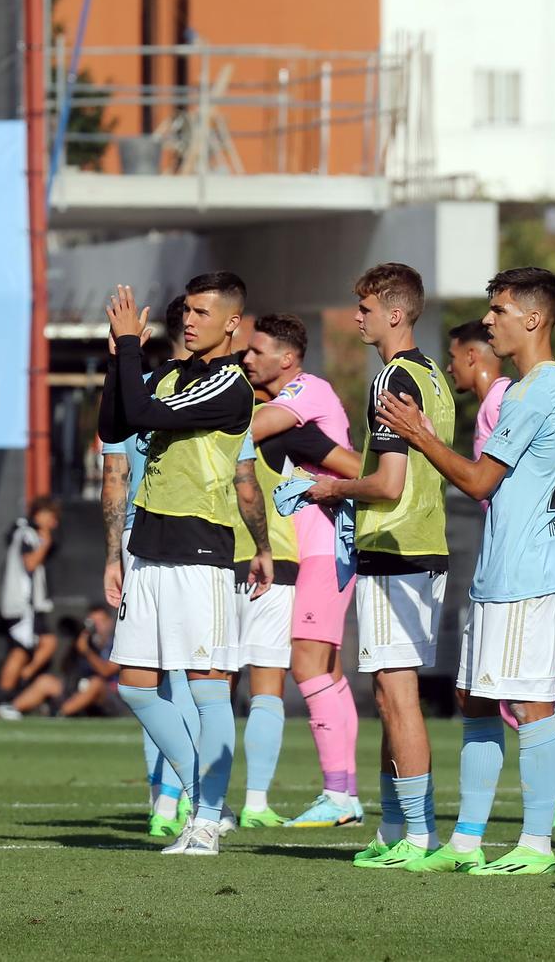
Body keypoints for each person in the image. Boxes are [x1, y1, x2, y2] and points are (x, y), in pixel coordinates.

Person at [377, 267, 555, 875]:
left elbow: (480, 479)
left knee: (531, 702)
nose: (489, 321)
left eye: (500, 310)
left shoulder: (543, 389)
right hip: (498, 571)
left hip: (529, 575)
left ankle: (537, 844)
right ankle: (465, 841)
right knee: (479, 700)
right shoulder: (517, 390)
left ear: (533, 319)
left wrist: (418, 434)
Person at [99, 273, 270, 857]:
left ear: (231, 322)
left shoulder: (230, 385)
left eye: (202, 311)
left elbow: (145, 414)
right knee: (136, 686)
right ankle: (205, 800)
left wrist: (128, 349)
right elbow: (115, 426)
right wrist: (114, 358)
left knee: (207, 690)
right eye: (187, 310)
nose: (189, 320)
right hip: (148, 548)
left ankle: (206, 817)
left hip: (199, 553)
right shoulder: (172, 373)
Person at [304, 262, 451, 869]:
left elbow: (389, 484)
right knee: (393, 696)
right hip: (423, 545)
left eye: (364, 307)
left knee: (397, 698)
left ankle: (420, 836)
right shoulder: (433, 373)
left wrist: (330, 490)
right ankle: (395, 828)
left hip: (396, 546)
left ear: (395, 313)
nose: (356, 316)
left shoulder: (393, 376)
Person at [236, 314, 360, 827]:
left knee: (307, 665)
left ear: (287, 360)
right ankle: (344, 793)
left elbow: (245, 428)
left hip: (326, 546)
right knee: (326, 670)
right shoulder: (286, 398)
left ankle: (339, 795)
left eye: (256, 351)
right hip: (313, 545)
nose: (247, 358)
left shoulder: (308, 390)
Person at [101, 295, 198, 837]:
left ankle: (163, 803)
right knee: (182, 673)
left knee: (146, 671)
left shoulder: (122, 397)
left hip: (141, 539)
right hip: (187, 538)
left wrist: (112, 554)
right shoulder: (201, 392)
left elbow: (114, 477)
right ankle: (188, 797)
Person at [0, 496, 61, 718]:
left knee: (42, 643)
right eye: (51, 517)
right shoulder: (27, 534)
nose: (54, 523)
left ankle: (17, 687)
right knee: (20, 650)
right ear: (40, 514)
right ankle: (3, 698)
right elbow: (30, 563)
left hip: (30, 605)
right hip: (23, 603)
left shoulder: (26, 533)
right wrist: (46, 543)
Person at [447, 320, 512, 457]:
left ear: (471, 356)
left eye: (453, 358)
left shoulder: (498, 402)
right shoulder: (494, 399)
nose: (449, 369)